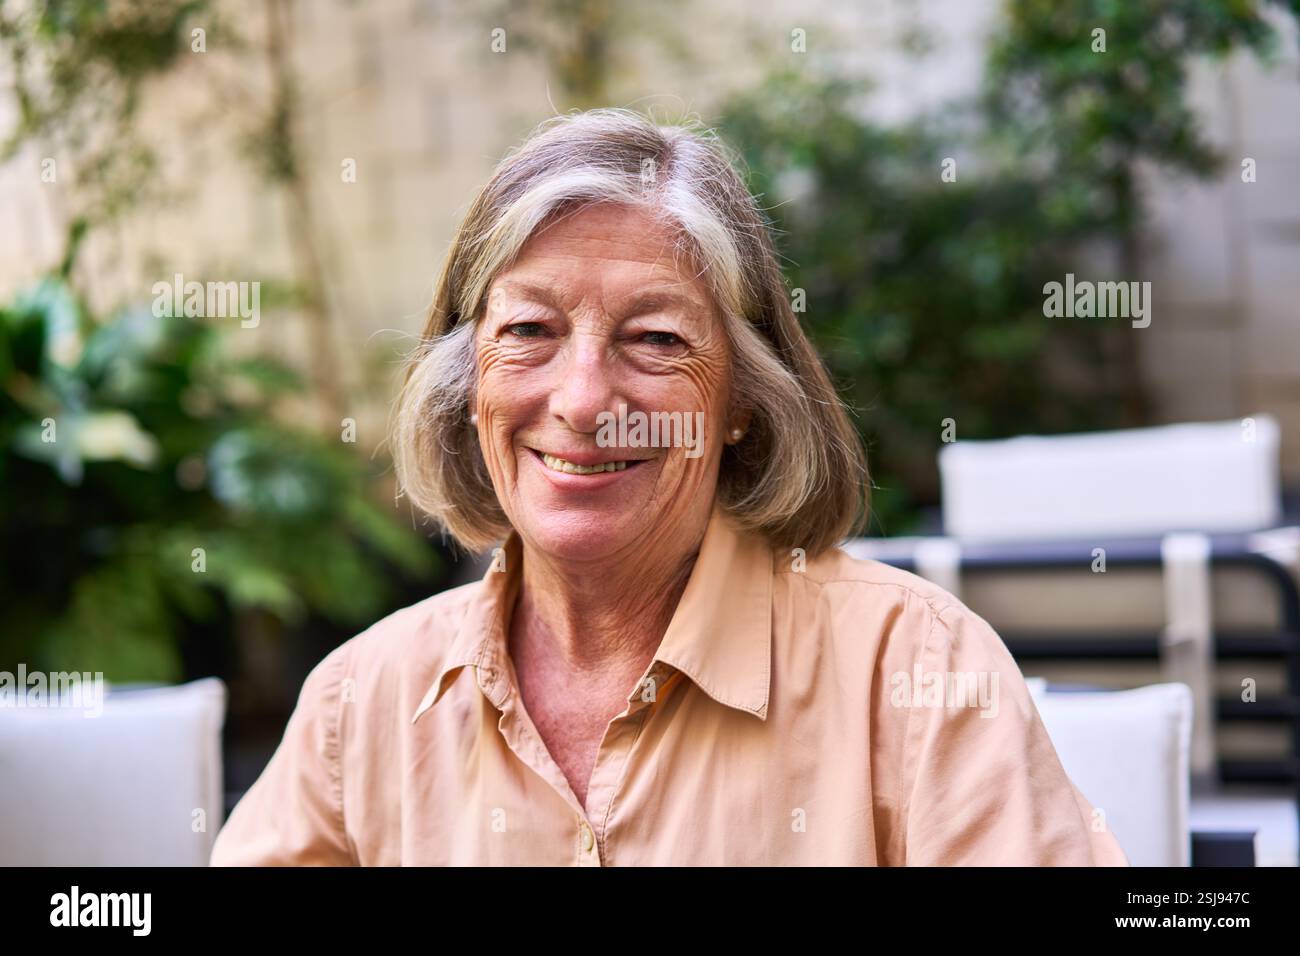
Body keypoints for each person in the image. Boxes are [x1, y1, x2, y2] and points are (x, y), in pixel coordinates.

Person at [210, 109, 1128, 866]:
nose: (582, 401)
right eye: (530, 329)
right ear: (469, 383)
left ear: (742, 399)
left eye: (655, 340)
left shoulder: (918, 669)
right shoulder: (360, 702)